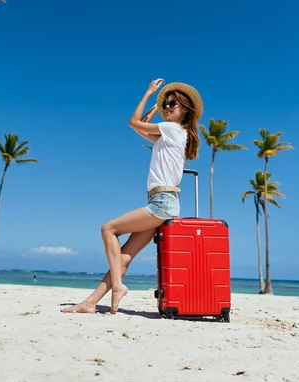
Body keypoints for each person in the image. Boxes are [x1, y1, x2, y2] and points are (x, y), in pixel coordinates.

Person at [61, 78, 203, 314]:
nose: (168, 107)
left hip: (162, 204)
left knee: (108, 229)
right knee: (123, 257)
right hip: (162, 203)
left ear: (185, 110)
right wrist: (158, 106)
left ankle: (118, 286)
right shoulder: (169, 136)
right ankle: (90, 303)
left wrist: (149, 94)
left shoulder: (172, 130)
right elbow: (140, 126)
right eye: (166, 103)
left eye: (173, 104)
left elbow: (132, 122)